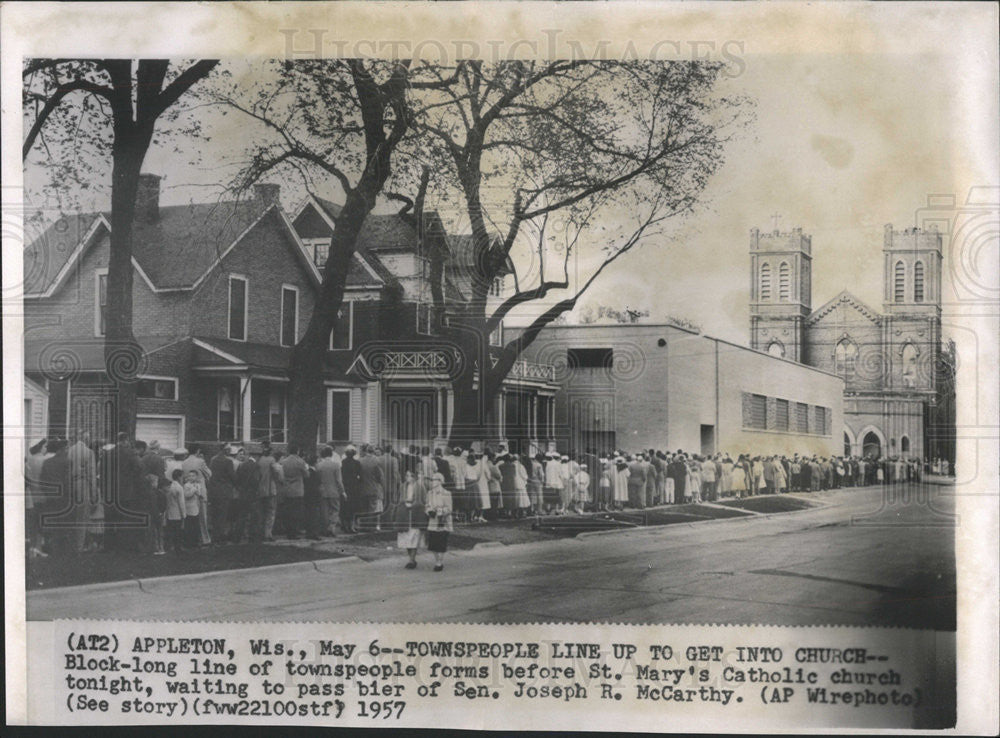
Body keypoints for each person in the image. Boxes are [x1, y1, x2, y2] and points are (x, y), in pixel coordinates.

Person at [396, 470, 427, 569]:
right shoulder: (402, 486)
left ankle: (412, 560)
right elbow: (399, 499)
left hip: (416, 514)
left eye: (411, 475)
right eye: (407, 475)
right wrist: (404, 503)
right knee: (406, 537)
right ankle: (410, 557)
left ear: (415, 477)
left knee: (414, 536)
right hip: (404, 515)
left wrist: (414, 504)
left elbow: (423, 501)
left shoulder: (420, 487)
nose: (408, 477)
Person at [182, 445, 212, 545]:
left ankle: (191, 539)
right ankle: (204, 539)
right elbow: (209, 474)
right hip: (200, 491)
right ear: (198, 451)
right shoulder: (200, 461)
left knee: (190, 517)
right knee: (202, 516)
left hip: (188, 490)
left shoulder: (184, 462)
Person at [24, 439, 48, 558]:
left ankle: (32, 548)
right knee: (41, 523)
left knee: (32, 523)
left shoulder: (29, 461)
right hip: (43, 495)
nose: (46, 449)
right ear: (40, 447)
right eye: (44, 446)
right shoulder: (44, 460)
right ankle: (38, 547)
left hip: (31, 495)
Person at [424, 473, 453, 572]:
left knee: (441, 542)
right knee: (433, 543)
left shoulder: (446, 493)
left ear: (440, 481)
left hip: (443, 521)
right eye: (432, 480)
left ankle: (439, 562)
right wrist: (429, 511)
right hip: (433, 521)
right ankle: (437, 559)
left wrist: (439, 511)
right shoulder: (429, 493)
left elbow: (449, 508)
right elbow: (427, 505)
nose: (433, 482)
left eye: (435, 480)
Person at [208, 444, 236, 544]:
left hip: (214, 491)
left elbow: (210, 475)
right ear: (226, 450)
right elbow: (232, 476)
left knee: (215, 515)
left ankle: (214, 537)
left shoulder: (213, 460)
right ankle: (220, 537)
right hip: (224, 491)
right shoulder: (228, 461)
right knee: (222, 515)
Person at [233, 447, 260, 543]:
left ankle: (237, 538)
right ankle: (252, 538)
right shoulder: (256, 466)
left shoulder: (241, 466)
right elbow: (256, 481)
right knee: (254, 517)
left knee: (241, 516)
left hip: (242, 493)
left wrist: (240, 488)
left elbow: (236, 480)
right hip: (252, 494)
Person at [280, 444, 308, 538]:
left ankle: (288, 531)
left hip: (287, 489)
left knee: (288, 511)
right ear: (297, 451)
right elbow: (306, 475)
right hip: (297, 489)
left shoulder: (284, 462)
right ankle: (295, 531)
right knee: (296, 512)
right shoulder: (300, 461)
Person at [316, 446, 344, 536]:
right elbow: (339, 480)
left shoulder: (318, 465)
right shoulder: (336, 465)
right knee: (335, 510)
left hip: (322, 490)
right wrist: (342, 491)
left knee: (324, 511)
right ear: (331, 454)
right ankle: (331, 528)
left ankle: (324, 528)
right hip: (334, 490)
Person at [255, 443, 281, 542]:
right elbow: (277, 473)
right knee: (271, 513)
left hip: (261, 489)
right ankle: (268, 534)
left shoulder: (259, 460)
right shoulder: (272, 460)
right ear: (270, 451)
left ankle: (260, 532)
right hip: (270, 489)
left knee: (261, 512)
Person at [163, 471, 186, 553]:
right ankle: (178, 547)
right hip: (177, 513)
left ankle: (169, 546)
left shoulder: (169, 486)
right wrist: (183, 514)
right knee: (178, 532)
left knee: (170, 531)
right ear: (179, 477)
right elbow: (181, 503)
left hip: (169, 513)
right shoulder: (179, 488)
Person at [182, 470, 204, 548]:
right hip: (189, 507)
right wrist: (194, 489)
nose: (191, 477)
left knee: (196, 525)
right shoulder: (186, 485)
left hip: (196, 507)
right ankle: (188, 542)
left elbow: (199, 494)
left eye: (193, 476)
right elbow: (187, 495)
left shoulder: (198, 484)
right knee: (189, 525)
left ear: (196, 476)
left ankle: (196, 541)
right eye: (190, 476)